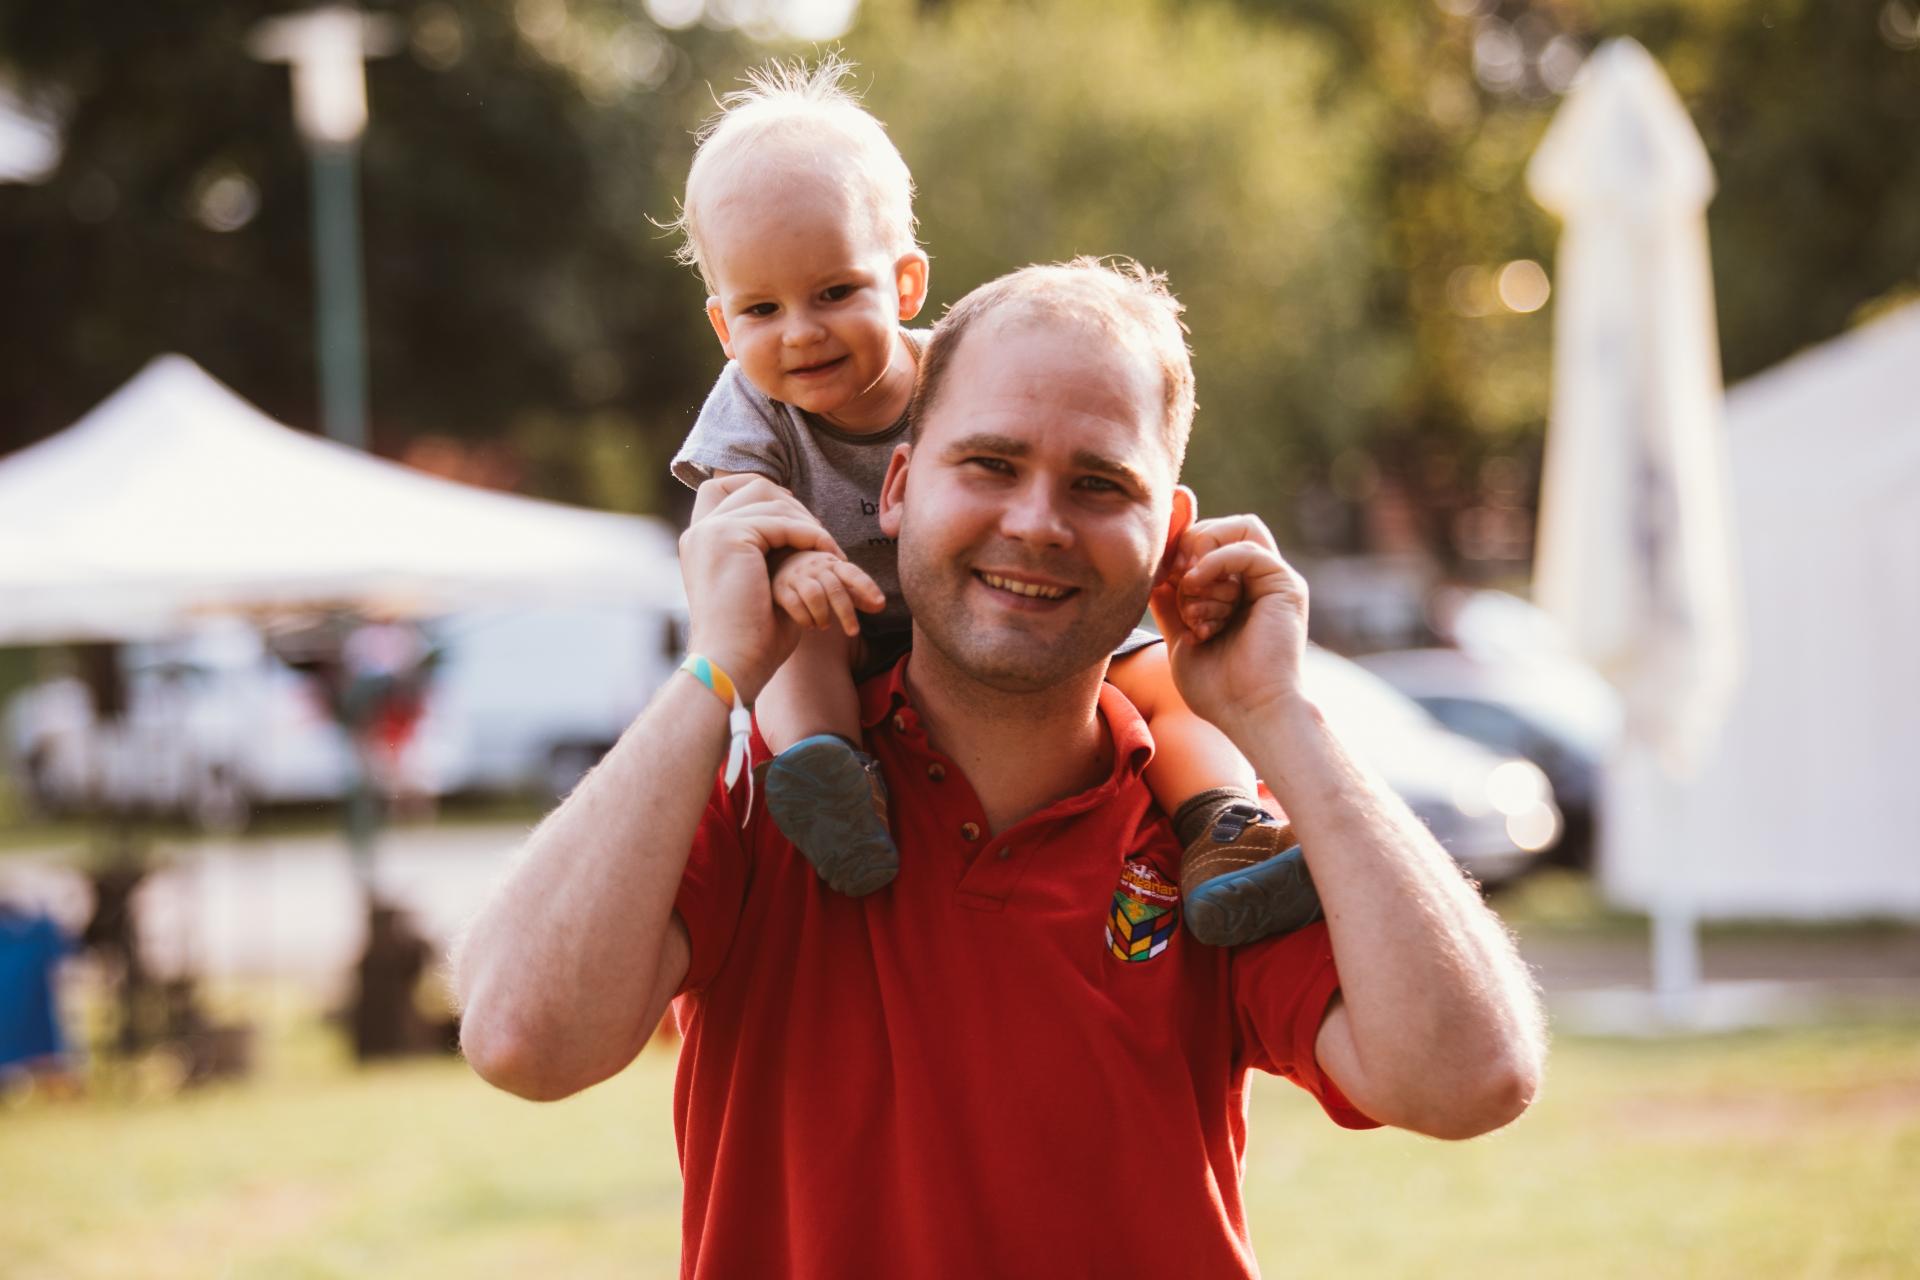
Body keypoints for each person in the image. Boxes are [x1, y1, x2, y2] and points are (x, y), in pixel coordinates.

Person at [455, 259, 1547, 1276]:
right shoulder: (772, 795)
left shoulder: (1215, 838)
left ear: (1168, 531)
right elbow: (520, 1041)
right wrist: (717, 668)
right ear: (895, 487)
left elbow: (1470, 1078)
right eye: (989, 463)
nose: (1037, 522)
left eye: (1099, 484)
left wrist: (1280, 715)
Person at [665, 59, 1308, 943]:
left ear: (905, 284)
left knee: (1158, 676)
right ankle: (830, 776)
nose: (802, 331)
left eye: (835, 292)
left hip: (989, 612)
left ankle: (1225, 824)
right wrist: (791, 562)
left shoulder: (967, 376)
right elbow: (729, 512)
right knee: (796, 634)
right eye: (762, 310)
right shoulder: (750, 405)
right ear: (723, 326)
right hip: (841, 614)